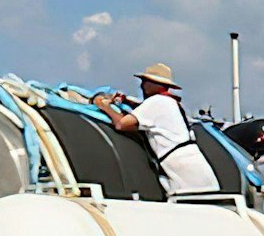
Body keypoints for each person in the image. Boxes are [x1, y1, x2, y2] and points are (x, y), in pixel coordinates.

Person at [92, 62, 218, 195]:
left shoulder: (157, 102)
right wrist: (124, 100)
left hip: (183, 168)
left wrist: (104, 106)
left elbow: (122, 124)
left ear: (156, 84)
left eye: (146, 81)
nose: (142, 85)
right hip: (189, 164)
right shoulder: (168, 102)